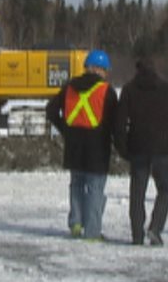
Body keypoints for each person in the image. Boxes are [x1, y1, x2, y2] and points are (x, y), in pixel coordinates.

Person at [46, 49, 117, 241]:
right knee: (95, 189)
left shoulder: (69, 87)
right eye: (104, 70)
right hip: (98, 147)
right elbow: (114, 121)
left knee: (76, 185)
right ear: (98, 69)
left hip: (74, 146)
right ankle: (92, 232)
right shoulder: (106, 91)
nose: (106, 74)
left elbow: (51, 110)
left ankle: (76, 223)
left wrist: (66, 129)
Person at [114, 58, 168, 246]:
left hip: (138, 148)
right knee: (165, 189)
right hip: (161, 149)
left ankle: (137, 234)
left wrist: (122, 148)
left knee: (137, 193)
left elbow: (119, 124)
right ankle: (155, 228)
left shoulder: (129, 90)